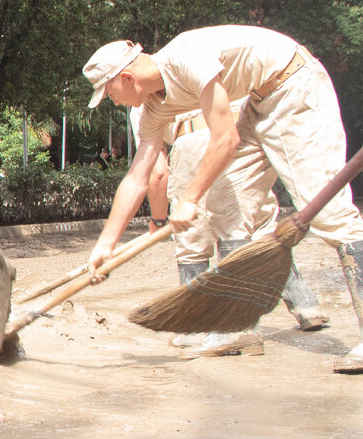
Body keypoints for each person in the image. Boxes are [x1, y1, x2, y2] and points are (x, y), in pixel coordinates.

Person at [82, 26, 363, 373]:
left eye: (108, 92)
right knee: (226, 204)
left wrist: (189, 199)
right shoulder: (155, 107)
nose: (111, 101)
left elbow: (225, 139)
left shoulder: (186, 58)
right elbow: (137, 176)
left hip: (295, 86)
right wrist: (107, 243)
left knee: (326, 208)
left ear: (127, 77)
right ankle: (238, 330)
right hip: (258, 101)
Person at [136, 103, 329, 358]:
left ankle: (197, 326)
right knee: (260, 225)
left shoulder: (144, 102)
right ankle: (306, 306)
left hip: (196, 139)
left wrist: (159, 220)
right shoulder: (201, 66)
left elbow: (158, 174)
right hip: (247, 134)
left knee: (193, 236)